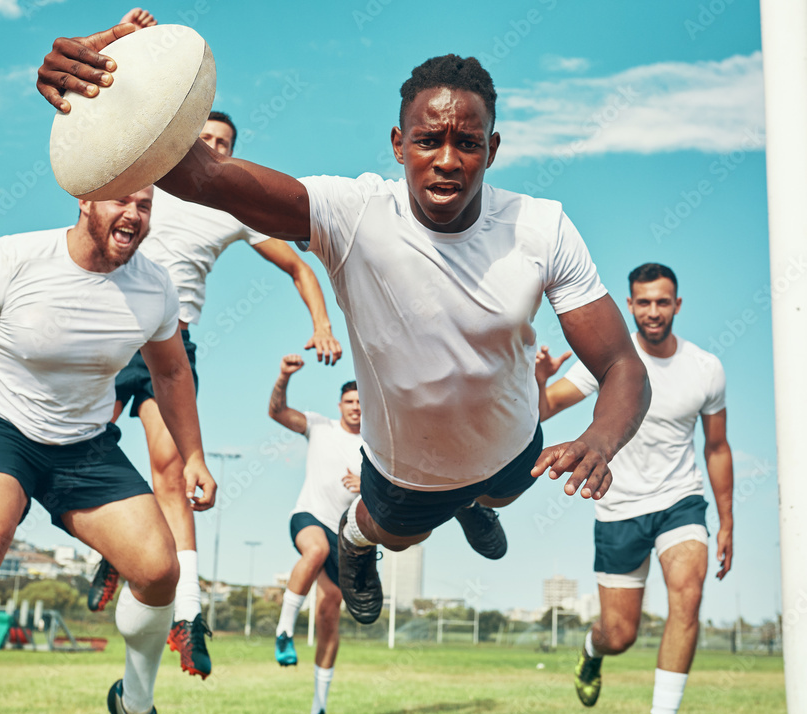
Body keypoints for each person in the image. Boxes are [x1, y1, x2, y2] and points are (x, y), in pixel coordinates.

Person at [38, 34, 651, 627]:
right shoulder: (349, 214)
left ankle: (474, 503)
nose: (446, 159)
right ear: (397, 143)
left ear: (492, 150)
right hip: (409, 468)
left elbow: (623, 365)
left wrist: (600, 438)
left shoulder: (542, 228)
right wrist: (100, 91)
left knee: (502, 494)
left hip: (513, 443)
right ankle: (355, 541)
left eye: (466, 143)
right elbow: (203, 178)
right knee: (398, 537)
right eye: (427, 140)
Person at [0, 188, 215, 714]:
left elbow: (171, 373)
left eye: (145, 205)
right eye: (121, 201)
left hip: (85, 443)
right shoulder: (12, 259)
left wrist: (193, 455)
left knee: (159, 569)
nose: (134, 215)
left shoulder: (154, 286)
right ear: (84, 201)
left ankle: (136, 704)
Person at [78, 9, 342, 684]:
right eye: (207, 137)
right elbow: (107, 113)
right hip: (108, 325)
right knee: (75, 436)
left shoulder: (232, 209)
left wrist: (323, 325)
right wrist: (126, 45)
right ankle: (117, 539)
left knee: (173, 472)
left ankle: (188, 614)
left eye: (227, 143)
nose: (215, 149)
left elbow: (299, 266)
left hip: (173, 344)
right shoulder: (144, 181)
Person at [536, 263, 733, 714]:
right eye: (643, 302)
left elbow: (717, 447)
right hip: (619, 508)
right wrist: (538, 380)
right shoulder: (610, 361)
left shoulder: (706, 368)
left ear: (677, 305)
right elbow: (545, 407)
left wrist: (725, 521)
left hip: (681, 501)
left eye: (662, 301)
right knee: (619, 634)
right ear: (629, 305)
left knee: (688, 594)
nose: (653, 311)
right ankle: (592, 649)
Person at [267, 354, 362, 714]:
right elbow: (277, 412)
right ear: (340, 406)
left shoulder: (376, 445)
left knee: (329, 615)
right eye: (351, 401)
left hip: (347, 535)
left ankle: (317, 710)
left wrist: (367, 484)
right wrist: (283, 377)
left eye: (362, 402)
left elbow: (394, 490)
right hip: (308, 518)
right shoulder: (320, 426)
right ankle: (284, 631)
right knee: (316, 548)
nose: (357, 407)